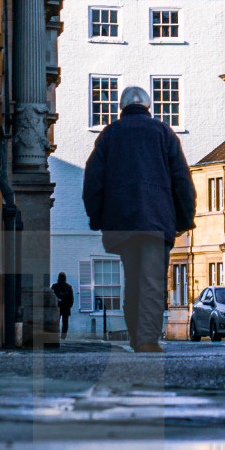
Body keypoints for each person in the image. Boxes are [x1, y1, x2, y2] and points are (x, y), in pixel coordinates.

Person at [81, 84, 196, 353]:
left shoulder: (109, 135)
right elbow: (182, 179)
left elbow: (92, 180)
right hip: (156, 219)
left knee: (132, 280)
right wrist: (183, 218)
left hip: (120, 220)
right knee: (153, 281)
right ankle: (146, 339)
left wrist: (97, 218)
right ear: (148, 107)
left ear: (121, 108)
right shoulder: (163, 132)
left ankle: (136, 336)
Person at [51, 271, 74, 338]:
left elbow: (51, 297)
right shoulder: (68, 287)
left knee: (56, 322)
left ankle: (56, 335)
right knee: (65, 323)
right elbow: (71, 298)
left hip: (57, 306)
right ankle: (63, 336)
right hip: (66, 307)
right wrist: (70, 305)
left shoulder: (54, 286)